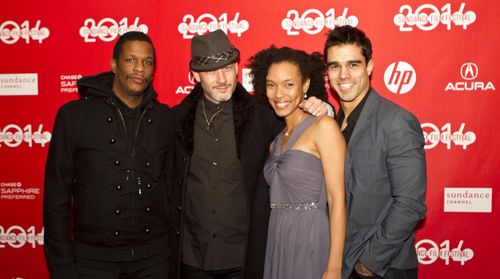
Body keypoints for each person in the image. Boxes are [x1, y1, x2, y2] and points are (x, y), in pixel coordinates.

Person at [170, 29, 333, 279]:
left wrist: (326, 108)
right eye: (212, 71)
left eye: (227, 68)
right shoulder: (176, 119)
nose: (222, 78)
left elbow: (304, 124)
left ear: (237, 68)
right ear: (194, 75)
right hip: (193, 257)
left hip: (245, 256)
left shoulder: (263, 114)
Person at [43, 31, 174, 279]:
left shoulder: (165, 119)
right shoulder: (74, 116)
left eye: (147, 62)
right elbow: (57, 194)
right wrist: (61, 263)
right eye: (131, 60)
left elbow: (171, 187)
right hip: (93, 263)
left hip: (154, 261)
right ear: (113, 64)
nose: (140, 69)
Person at [323, 26, 427, 279]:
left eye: (353, 64)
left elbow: (409, 204)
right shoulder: (331, 125)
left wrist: (368, 264)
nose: (343, 75)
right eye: (335, 66)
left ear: (369, 66)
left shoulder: (397, 121)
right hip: (341, 262)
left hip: (382, 268)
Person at [248, 46, 346, 279]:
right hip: (277, 238)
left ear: (305, 86)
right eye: (271, 84)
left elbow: (337, 199)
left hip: (311, 237)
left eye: (288, 84)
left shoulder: (323, 127)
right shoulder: (275, 143)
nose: (278, 93)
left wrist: (334, 266)